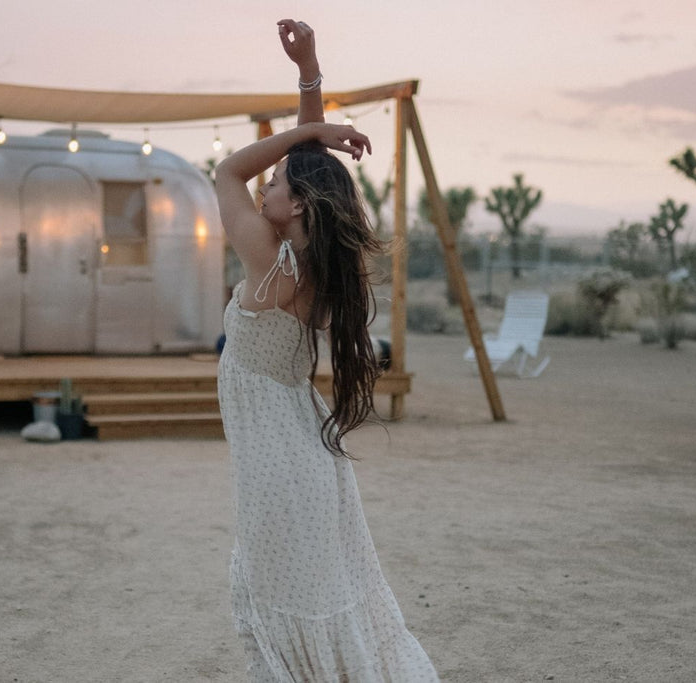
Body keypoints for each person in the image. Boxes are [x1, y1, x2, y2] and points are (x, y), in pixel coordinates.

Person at [214, 19, 439, 682]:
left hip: (282, 463)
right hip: (301, 455)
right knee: (311, 597)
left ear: (297, 206)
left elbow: (227, 168)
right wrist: (309, 78)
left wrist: (312, 132)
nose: (265, 186)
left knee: (283, 603)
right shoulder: (313, 266)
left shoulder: (268, 258)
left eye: (277, 184)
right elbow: (300, 173)